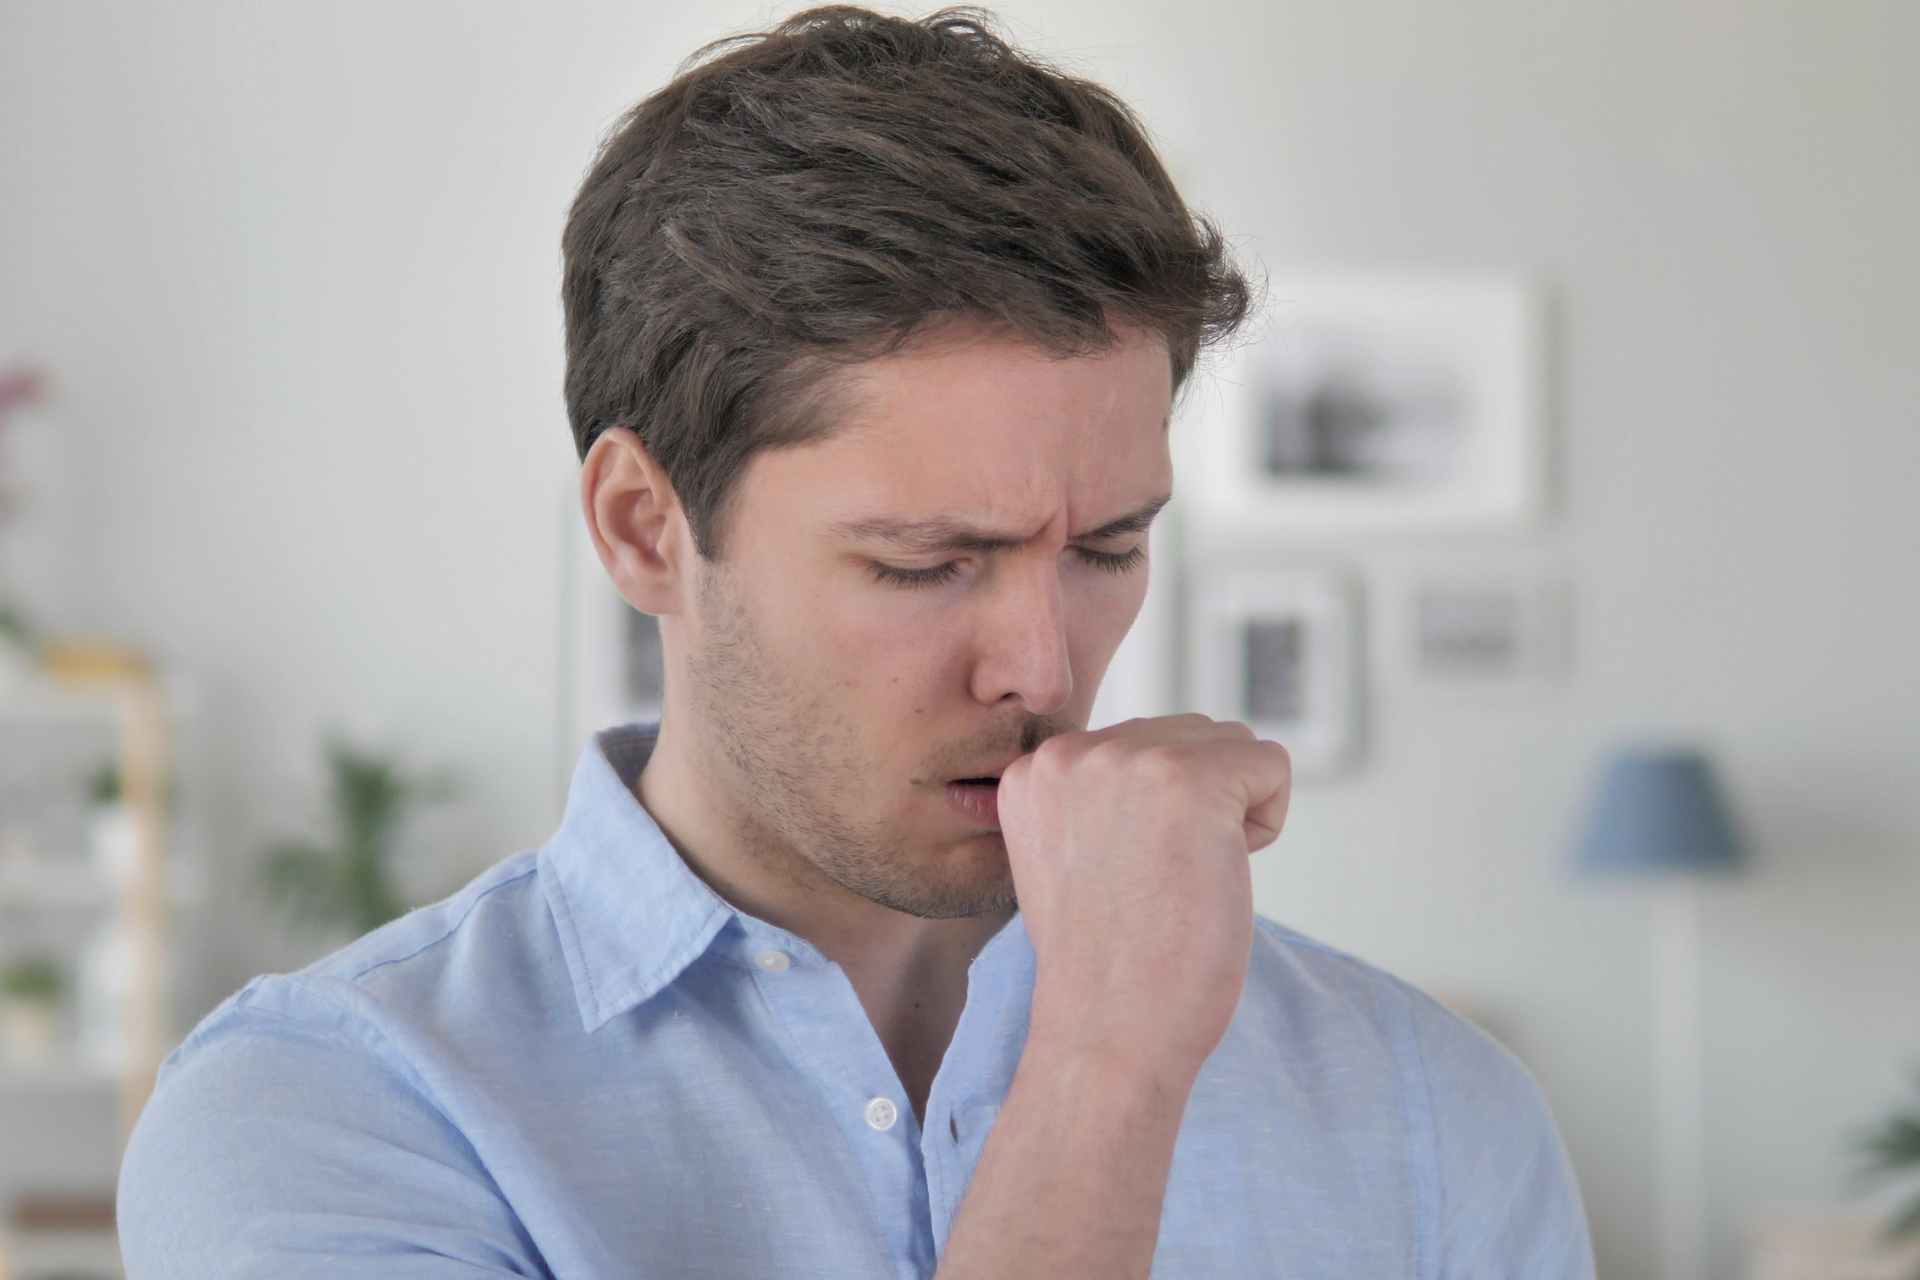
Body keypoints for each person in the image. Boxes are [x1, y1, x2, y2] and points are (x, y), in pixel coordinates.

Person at [118, 8, 1595, 1277]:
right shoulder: (331, 1112)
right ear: (643, 528)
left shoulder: (1428, 1113)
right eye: (926, 563)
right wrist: (1103, 1068)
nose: (1042, 669)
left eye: (1107, 549)